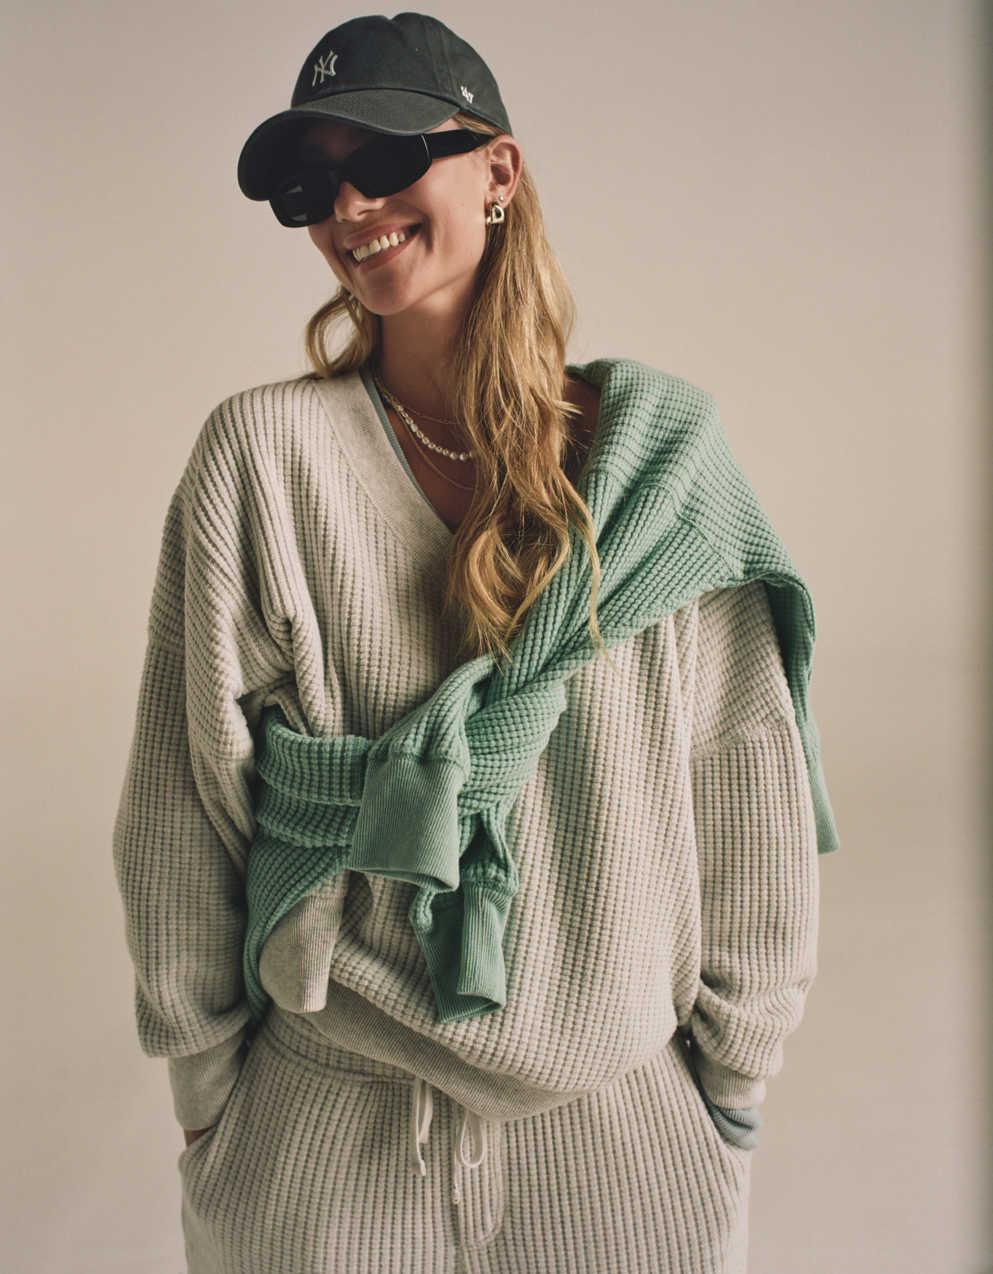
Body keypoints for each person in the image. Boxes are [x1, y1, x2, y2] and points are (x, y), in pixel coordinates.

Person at [112, 13, 838, 1274]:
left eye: (386, 158)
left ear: (498, 170)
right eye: (311, 186)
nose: (349, 207)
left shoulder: (661, 470)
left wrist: (730, 1093)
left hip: (618, 1129)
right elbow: (186, 798)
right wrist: (207, 1101)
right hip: (327, 1122)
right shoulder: (262, 460)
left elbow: (742, 777)